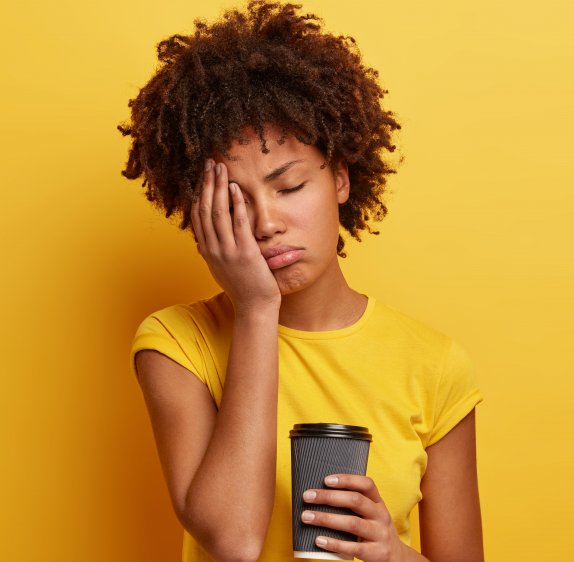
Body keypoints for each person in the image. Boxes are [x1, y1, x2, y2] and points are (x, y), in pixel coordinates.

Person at [119, 2, 484, 561]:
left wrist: (391, 552)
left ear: (340, 177)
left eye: (288, 187)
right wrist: (257, 309)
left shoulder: (435, 365)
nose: (266, 223)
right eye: (236, 203)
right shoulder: (176, 345)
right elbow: (234, 541)